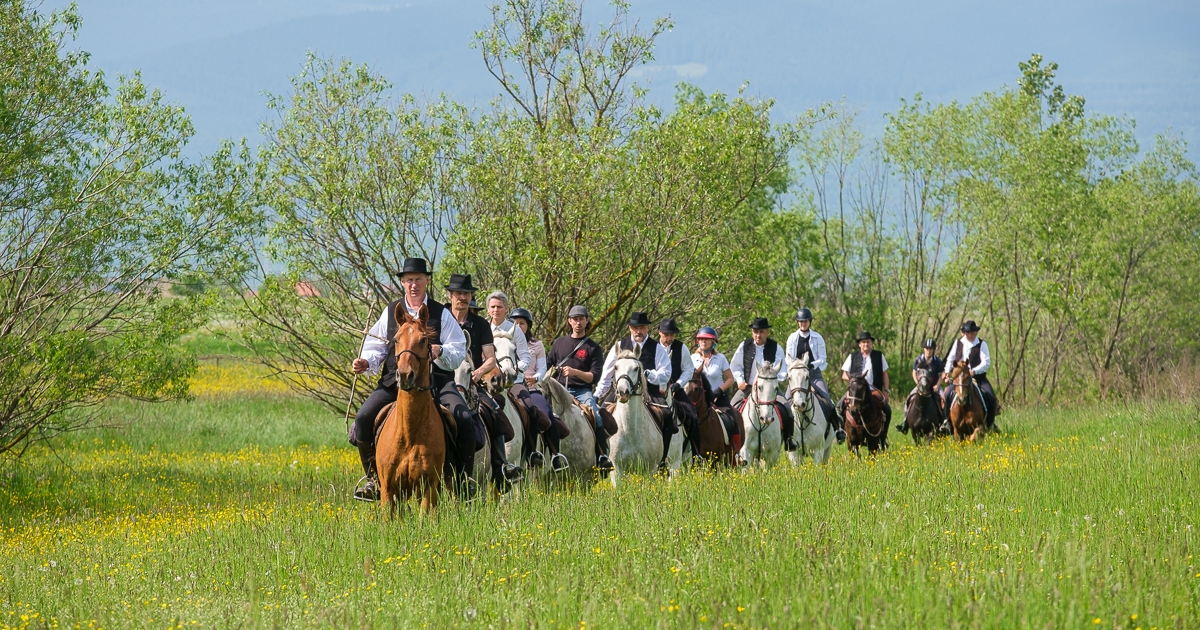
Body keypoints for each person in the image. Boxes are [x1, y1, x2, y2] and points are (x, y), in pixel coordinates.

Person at [349, 258, 477, 502]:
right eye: (409, 280)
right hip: (394, 382)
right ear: (402, 282)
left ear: (427, 280)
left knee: (462, 417)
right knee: (364, 417)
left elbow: (459, 348)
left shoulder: (442, 313)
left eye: (418, 279)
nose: (414, 284)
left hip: (437, 381)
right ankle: (373, 480)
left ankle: (463, 480)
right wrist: (366, 362)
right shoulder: (391, 312)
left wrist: (440, 351)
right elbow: (375, 346)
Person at [444, 274, 523, 490]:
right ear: (450, 295)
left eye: (466, 294)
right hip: (442, 381)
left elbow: (490, 358)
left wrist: (478, 373)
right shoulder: (440, 320)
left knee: (494, 412)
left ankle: (500, 469)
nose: (462, 297)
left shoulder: (480, 324)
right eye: (458, 293)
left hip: (473, 382)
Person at [596, 312, 677, 468]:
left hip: (649, 391)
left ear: (647, 328)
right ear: (629, 328)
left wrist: (649, 375)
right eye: (635, 328)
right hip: (620, 390)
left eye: (642, 327)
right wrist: (597, 395)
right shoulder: (618, 346)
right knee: (601, 414)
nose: (638, 331)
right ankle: (602, 457)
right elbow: (606, 374)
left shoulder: (657, 348)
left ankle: (662, 460)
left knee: (667, 415)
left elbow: (666, 374)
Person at [545, 305, 610, 472]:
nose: (578, 322)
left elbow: (594, 376)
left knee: (596, 415)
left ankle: (602, 456)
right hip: (558, 389)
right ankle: (541, 454)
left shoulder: (593, 348)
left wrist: (575, 372)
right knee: (541, 413)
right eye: (575, 319)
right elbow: (547, 366)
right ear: (569, 321)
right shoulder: (559, 343)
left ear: (587, 320)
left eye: (581, 319)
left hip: (582, 391)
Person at [512, 307, 570, 472]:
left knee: (546, 412)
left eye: (522, 323)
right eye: (515, 323)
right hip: (508, 388)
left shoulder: (536, 344)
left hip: (530, 388)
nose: (518, 326)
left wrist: (536, 378)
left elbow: (542, 369)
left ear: (528, 325)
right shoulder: (505, 343)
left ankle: (554, 456)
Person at [729, 318, 796, 451]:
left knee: (787, 408)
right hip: (747, 387)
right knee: (731, 409)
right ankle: (732, 443)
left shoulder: (776, 347)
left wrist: (773, 380)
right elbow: (735, 366)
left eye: (761, 332)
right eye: (755, 332)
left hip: (769, 389)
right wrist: (740, 380)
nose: (758, 335)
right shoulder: (744, 345)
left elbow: (783, 371)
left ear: (767, 332)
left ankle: (789, 439)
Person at [785, 307, 845, 444]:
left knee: (827, 400)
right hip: (797, 376)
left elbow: (823, 358)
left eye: (805, 321)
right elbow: (789, 358)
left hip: (814, 374)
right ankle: (787, 435)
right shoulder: (792, 338)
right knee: (785, 401)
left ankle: (837, 430)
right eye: (800, 321)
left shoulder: (818, 337)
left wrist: (812, 365)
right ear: (797, 322)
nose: (803, 324)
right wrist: (797, 367)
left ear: (810, 322)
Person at [691, 326, 743, 453]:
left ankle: (736, 455)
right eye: (701, 339)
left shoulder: (721, 358)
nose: (703, 341)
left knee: (733, 420)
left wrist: (719, 390)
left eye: (707, 339)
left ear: (713, 342)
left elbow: (730, 378)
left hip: (718, 397)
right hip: (697, 399)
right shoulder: (692, 358)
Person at [941, 320, 998, 429]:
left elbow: (986, 362)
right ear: (965, 333)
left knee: (991, 397)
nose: (970, 335)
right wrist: (947, 371)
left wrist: (974, 371)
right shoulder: (957, 343)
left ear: (976, 332)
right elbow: (950, 358)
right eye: (968, 333)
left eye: (972, 332)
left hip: (978, 379)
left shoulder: (982, 344)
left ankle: (989, 424)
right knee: (947, 395)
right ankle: (946, 422)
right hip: (960, 380)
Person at [657, 318, 701, 458]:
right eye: (666, 334)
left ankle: (696, 453)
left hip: (676, 388)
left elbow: (688, 370)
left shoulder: (681, 348)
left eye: (671, 335)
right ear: (659, 333)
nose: (669, 338)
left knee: (692, 416)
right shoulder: (652, 348)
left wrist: (678, 384)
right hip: (654, 390)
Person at [838, 331, 892, 435]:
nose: (866, 344)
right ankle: (841, 431)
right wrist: (854, 381)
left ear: (871, 343)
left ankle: (883, 435)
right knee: (838, 407)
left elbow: (884, 374)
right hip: (855, 392)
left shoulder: (879, 356)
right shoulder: (852, 356)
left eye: (868, 342)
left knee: (887, 410)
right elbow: (844, 374)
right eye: (863, 342)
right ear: (859, 344)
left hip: (874, 390)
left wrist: (886, 390)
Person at [903, 338, 945, 434]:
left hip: (933, 386)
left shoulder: (937, 361)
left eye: (930, 349)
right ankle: (905, 422)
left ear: (933, 349)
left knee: (943, 399)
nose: (928, 351)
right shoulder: (918, 360)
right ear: (924, 349)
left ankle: (944, 422)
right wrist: (917, 383)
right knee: (909, 398)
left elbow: (941, 375)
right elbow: (914, 373)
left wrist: (937, 385)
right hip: (920, 386)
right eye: (926, 348)